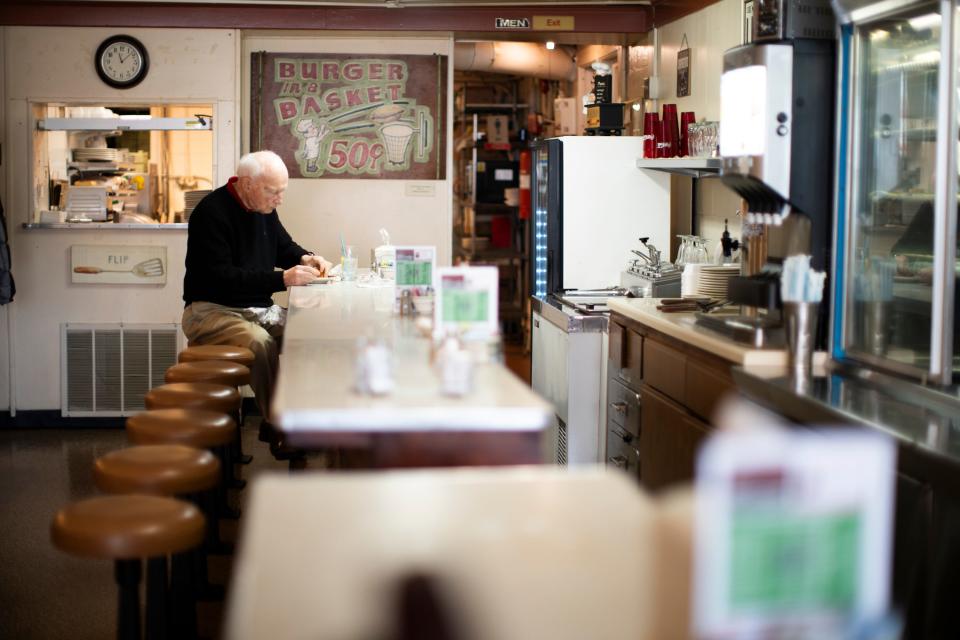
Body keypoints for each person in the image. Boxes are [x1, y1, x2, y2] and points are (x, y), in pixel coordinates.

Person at [181, 150, 332, 457]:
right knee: (260, 343)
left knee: (312, 334)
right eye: (272, 191)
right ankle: (277, 423)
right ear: (247, 184)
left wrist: (306, 257)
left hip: (256, 309)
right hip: (211, 310)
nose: (279, 199)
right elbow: (222, 278)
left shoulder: (264, 209)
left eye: (282, 192)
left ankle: (309, 419)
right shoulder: (211, 214)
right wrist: (282, 280)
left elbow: (283, 247)